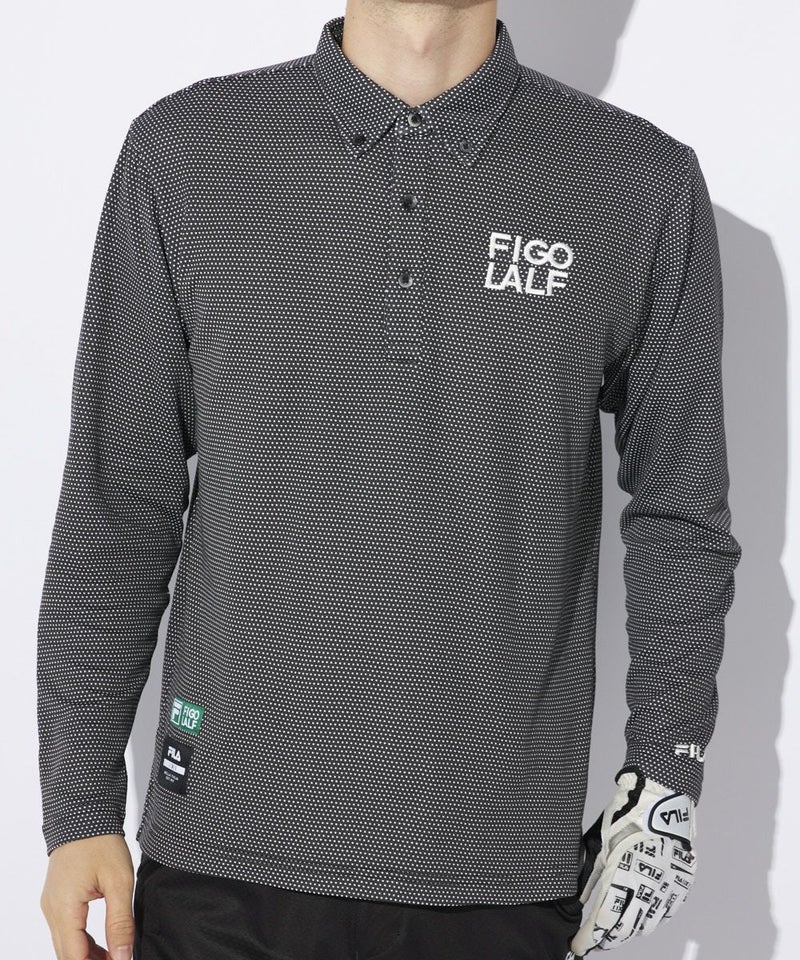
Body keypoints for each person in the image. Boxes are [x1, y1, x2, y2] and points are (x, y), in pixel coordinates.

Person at [36, 1, 742, 958]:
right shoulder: (187, 154)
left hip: (494, 878)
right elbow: (119, 499)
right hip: (220, 867)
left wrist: (665, 776)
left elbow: (679, 515)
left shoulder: (638, 184)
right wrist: (79, 806)